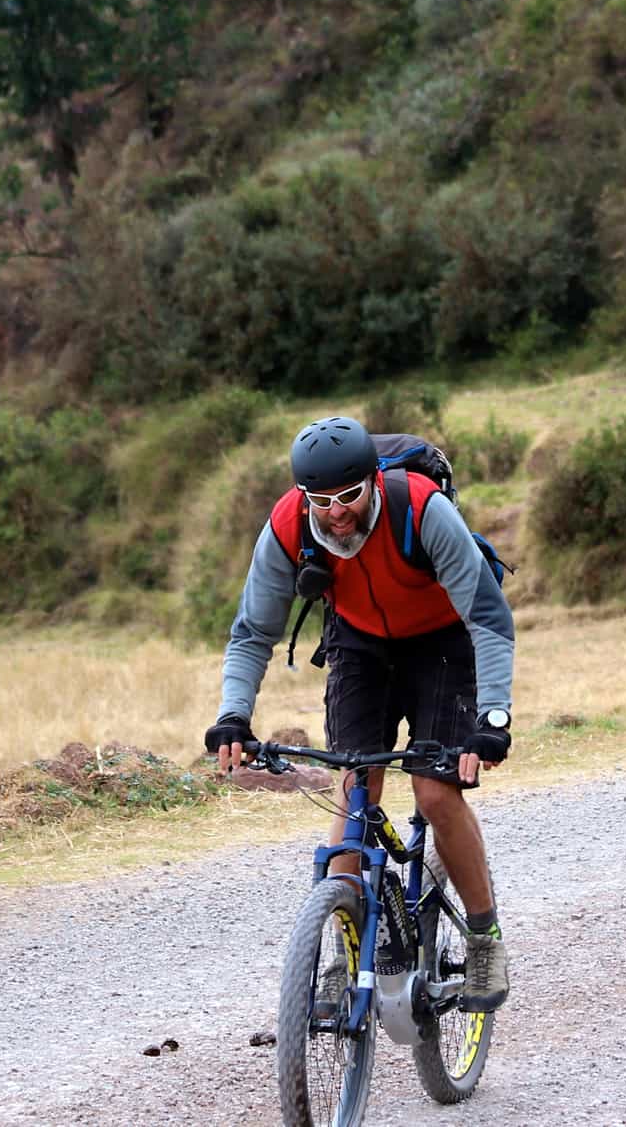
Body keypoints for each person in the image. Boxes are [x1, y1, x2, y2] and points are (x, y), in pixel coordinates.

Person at [204, 415, 515, 1013]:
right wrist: (233, 716)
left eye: (348, 496)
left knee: (435, 792)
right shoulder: (289, 526)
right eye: (321, 500)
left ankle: (483, 938)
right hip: (360, 641)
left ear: (373, 481)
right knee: (355, 791)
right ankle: (337, 964)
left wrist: (493, 720)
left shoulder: (422, 510)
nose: (336, 513)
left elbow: (489, 618)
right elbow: (251, 633)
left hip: (444, 639)